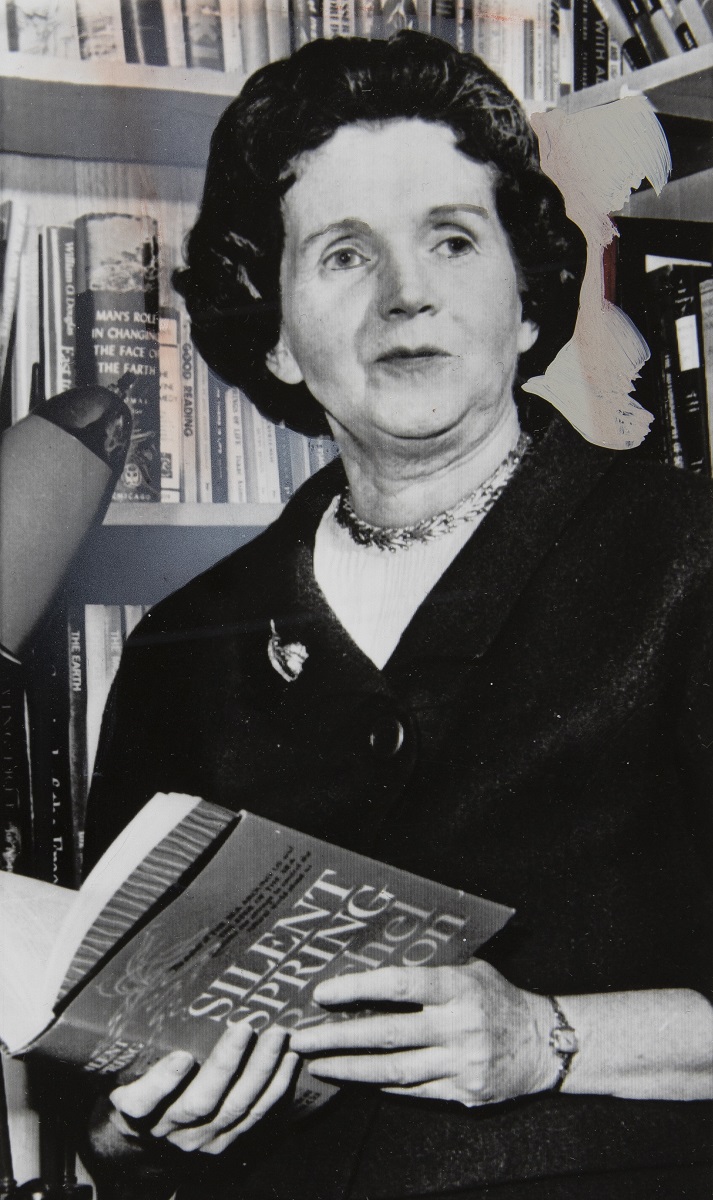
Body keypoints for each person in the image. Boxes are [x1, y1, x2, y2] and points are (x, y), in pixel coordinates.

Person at [79, 31, 713, 1200]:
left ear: (525, 300)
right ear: (271, 327)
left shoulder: (690, 559)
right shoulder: (181, 649)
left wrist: (552, 1038)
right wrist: (139, 1123)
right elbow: (103, 1091)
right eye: (341, 255)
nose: (404, 293)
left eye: (450, 239)